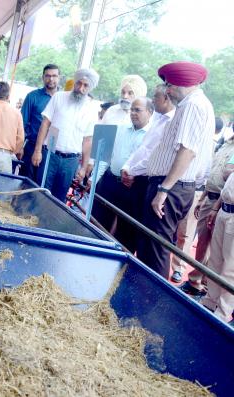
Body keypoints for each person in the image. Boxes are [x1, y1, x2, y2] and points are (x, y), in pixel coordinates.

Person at [136, 61, 215, 280]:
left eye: (170, 85)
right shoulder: (196, 103)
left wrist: (163, 189)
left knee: (155, 249)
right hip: (174, 187)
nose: (168, 90)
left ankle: (151, 303)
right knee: (151, 245)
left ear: (183, 83)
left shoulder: (193, 105)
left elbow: (187, 150)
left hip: (171, 188)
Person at [92, 97, 153, 252]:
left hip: (133, 189)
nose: (133, 113)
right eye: (132, 109)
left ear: (150, 112)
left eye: (137, 110)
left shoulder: (152, 135)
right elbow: (106, 156)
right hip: (110, 183)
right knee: (97, 225)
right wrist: (94, 178)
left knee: (126, 233)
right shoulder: (121, 128)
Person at [31, 68, 99, 202]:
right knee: (40, 193)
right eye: (79, 83)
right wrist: (37, 151)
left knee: (60, 199)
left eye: (85, 85)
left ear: (90, 88)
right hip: (50, 155)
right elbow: (45, 124)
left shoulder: (92, 109)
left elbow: (87, 141)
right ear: (74, 82)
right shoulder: (59, 97)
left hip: (71, 161)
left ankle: (50, 224)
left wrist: (83, 168)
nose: (80, 88)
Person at [180, 132, 234, 298]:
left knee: (221, 252)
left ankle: (205, 285)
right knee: (203, 241)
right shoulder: (226, 143)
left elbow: (227, 174)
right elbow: (215, 172)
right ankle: (197, 281)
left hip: (223, 202)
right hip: (211, 197)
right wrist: (203, 197)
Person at [201, 155, 234, 324]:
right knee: (215, 260)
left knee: (230, 269)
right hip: (224, 210)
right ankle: (209, 302)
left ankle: (222, 312)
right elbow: (227, 180)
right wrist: (215, 207)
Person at [19, 64, 60, 183]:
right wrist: (20, 147)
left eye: (54, 76)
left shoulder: (63, 99)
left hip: (53, 152)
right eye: (48, 76)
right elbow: (23, 123)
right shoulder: (33, 97)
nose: (51, 79)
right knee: (26, 184)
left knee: (44, 189)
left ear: (59, 78)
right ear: (43, 77)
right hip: (31, 147)